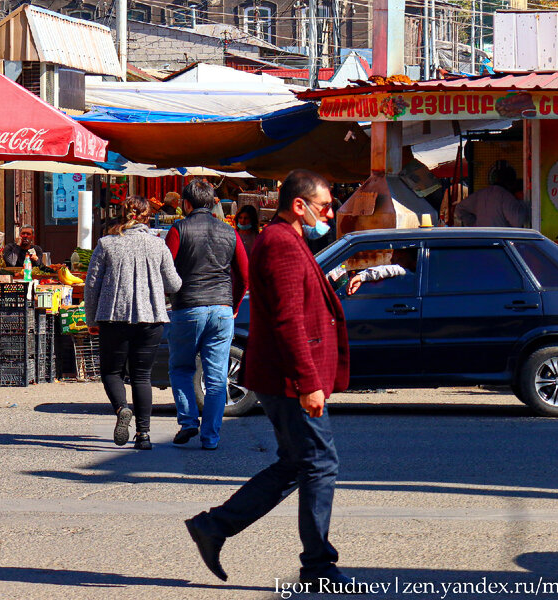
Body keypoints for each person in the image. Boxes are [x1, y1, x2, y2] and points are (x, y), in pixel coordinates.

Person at [184, 168, 356, 592]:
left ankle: (214, 526)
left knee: (299, 463)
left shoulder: (288, 240)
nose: (330, 214)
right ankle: (318, 569)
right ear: (299, 205)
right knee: (320, 464)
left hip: (285, 376)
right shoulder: (280, 242)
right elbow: (287, 320)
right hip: (287, 379)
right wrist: (308, 382)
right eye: (325, 206)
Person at [83, 196, 182, 451]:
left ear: (120, 215)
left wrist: (91, 318)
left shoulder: (106, 244)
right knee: (142, 376)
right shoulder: (158, 245)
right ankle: (144, 435)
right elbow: (174, 284)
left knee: (111, 372)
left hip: (113, 316)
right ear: (147, 217)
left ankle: (121, 408)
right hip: (150, 318)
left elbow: (91, 286)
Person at [165, 179, 249, 450]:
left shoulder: (179, 229)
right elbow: (245, 276)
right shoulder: (230, 232)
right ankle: (211, 437)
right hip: (222, 309)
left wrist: (172, 297)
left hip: (188, 307)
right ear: (214, 202)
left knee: (181, 369)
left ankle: (189, 421)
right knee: (216, 377)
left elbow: (166, 271)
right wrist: (233, 305)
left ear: (186, 204)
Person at [455, 160, 529, 228]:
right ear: (511, 182)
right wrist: (522, 203)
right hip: (500, 238)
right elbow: (517, 221)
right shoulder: (506, 197)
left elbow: (459, 209)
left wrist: (474, 224)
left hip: (481, 237)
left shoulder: (480, 194)